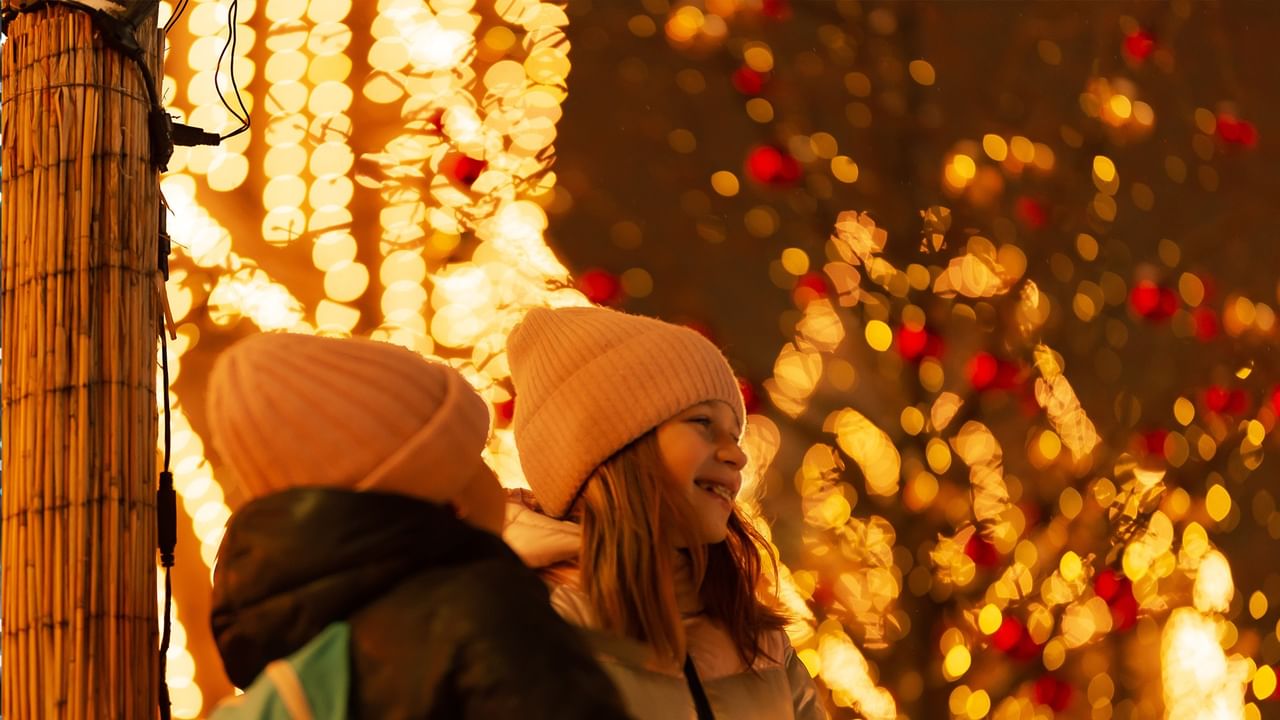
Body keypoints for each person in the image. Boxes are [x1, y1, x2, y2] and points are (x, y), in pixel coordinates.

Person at [203, 332, 631, 719]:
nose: (498, 480)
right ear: (448, 492)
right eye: (476, 456)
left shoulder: (295, 641)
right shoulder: (482, 609)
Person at [503, 306, 826, 720]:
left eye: (735, 434)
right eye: (703, 423)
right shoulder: (528, 628)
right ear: (613, 448)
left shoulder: (759, 643)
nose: (738, 455)